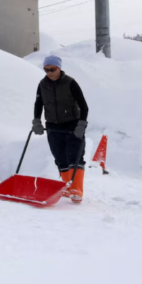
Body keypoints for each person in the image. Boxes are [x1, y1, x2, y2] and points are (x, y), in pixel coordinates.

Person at [32, 54, 89, 202]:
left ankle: (76, 189)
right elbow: (38, 104)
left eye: (52, 69)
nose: (49, 73)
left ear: (59, 68)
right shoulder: (42, 84)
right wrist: (37, 121)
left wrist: (82, 124)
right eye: (46, 70)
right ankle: (67, 187)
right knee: (60, 157)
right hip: (53, 125)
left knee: (75, 156)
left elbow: (83, 105)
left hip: (72, 124)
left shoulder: (70, 83)